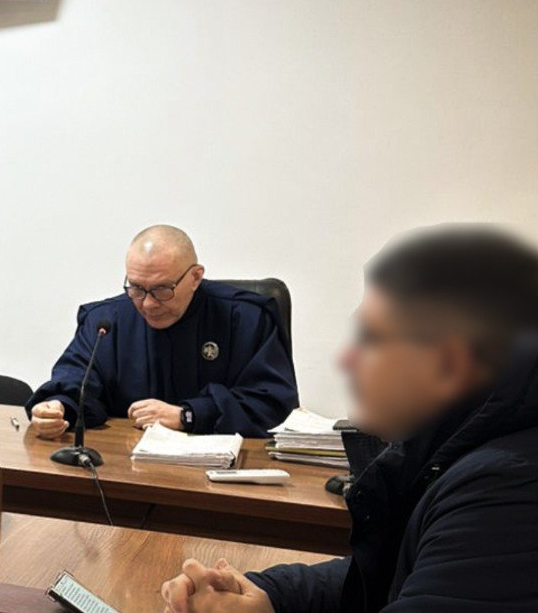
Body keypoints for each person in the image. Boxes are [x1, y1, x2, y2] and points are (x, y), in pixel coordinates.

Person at [161, 225, 538, 613]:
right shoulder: (455, 451)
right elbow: (384, 575)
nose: (347, 359)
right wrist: (267, 595)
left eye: (371, 338)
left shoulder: (506, 494)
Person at [26, 225, 297, 438]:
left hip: (224, 475)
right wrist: (58, 406)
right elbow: (78, 380)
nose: (148, 304)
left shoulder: (247, 318)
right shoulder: (106, 322)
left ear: (195, 277)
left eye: (162, 289)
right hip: (124, 467)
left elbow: (272, 404)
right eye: (136, 288)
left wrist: (188, 415)